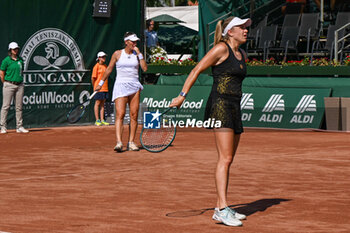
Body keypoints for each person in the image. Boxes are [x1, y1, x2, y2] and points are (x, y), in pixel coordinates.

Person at [169, 16, 250, 227]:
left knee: (229, 159)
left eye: (246, 27)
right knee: (225, 157)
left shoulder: (242, 54)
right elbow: (196, 70)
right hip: (220, 105)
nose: (246, 30)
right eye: (241, 27)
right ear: (230, 31)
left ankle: (219, 207)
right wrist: (181, 95)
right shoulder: (220, 49)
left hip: (234, 107)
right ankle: (223, 209)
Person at [95, 32, 147, 152]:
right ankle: (119, 142)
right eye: (132, 41)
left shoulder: (137, 54)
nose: (135, 43)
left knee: (134, 116)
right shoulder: (117, 54)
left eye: (135, 41)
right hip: (121, 86)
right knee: (120, 114)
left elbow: (144, 68)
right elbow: (109, 70)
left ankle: (131, 142)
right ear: (126, 42)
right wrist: (101, 83)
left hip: (134, 86)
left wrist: (139, 54)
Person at [0, 42, 29, 134]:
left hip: (19, 85)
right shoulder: (6, 61)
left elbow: (21, 71)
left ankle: (19, 126)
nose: (15, 50)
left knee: (19, 107)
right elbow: (1, 73)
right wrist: (5, 83)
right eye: (13, 49)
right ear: (10, 50)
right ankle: (3, 127)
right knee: (6, 106)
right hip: (8, 85)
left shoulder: (20, 60)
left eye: (16, 48)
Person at [92, 51, 110, 126]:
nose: (104, 58)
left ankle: (102, 120)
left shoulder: (106, 66)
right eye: (102, 57)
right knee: (97, 103)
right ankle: (97, 120)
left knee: (103, 104)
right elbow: (93, 78)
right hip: (98, 89)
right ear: (99, 58)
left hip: (105, 88)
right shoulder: (96, 66)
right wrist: (95, 87)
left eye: (104, 57)